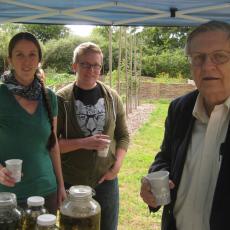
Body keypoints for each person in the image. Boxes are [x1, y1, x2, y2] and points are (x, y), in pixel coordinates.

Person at [140, 20, 230, 230]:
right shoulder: (180, 109)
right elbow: (166, 157)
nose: (207, 65)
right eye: (198, 58)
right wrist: (154, 181)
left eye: (220, 56)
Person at [56, 42, 129, 230]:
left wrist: (117, 166)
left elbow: (123, 136)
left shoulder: (112, 98)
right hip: (73, 182)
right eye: (85, 64)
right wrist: (83, 143)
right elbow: (51, 144)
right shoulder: (61, 100)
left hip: (106, 180)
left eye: (96, 65)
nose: (91, 69)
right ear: (74, 66)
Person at [0, 32, 66, 213]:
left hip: (47, 192)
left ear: (39, 60)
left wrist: (61, 185)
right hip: (8, 197)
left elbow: (53, 145)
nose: (26, 61)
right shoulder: (1, 96)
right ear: (10, 60)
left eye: (32, 55)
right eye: (19, 54)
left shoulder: (50, 97)